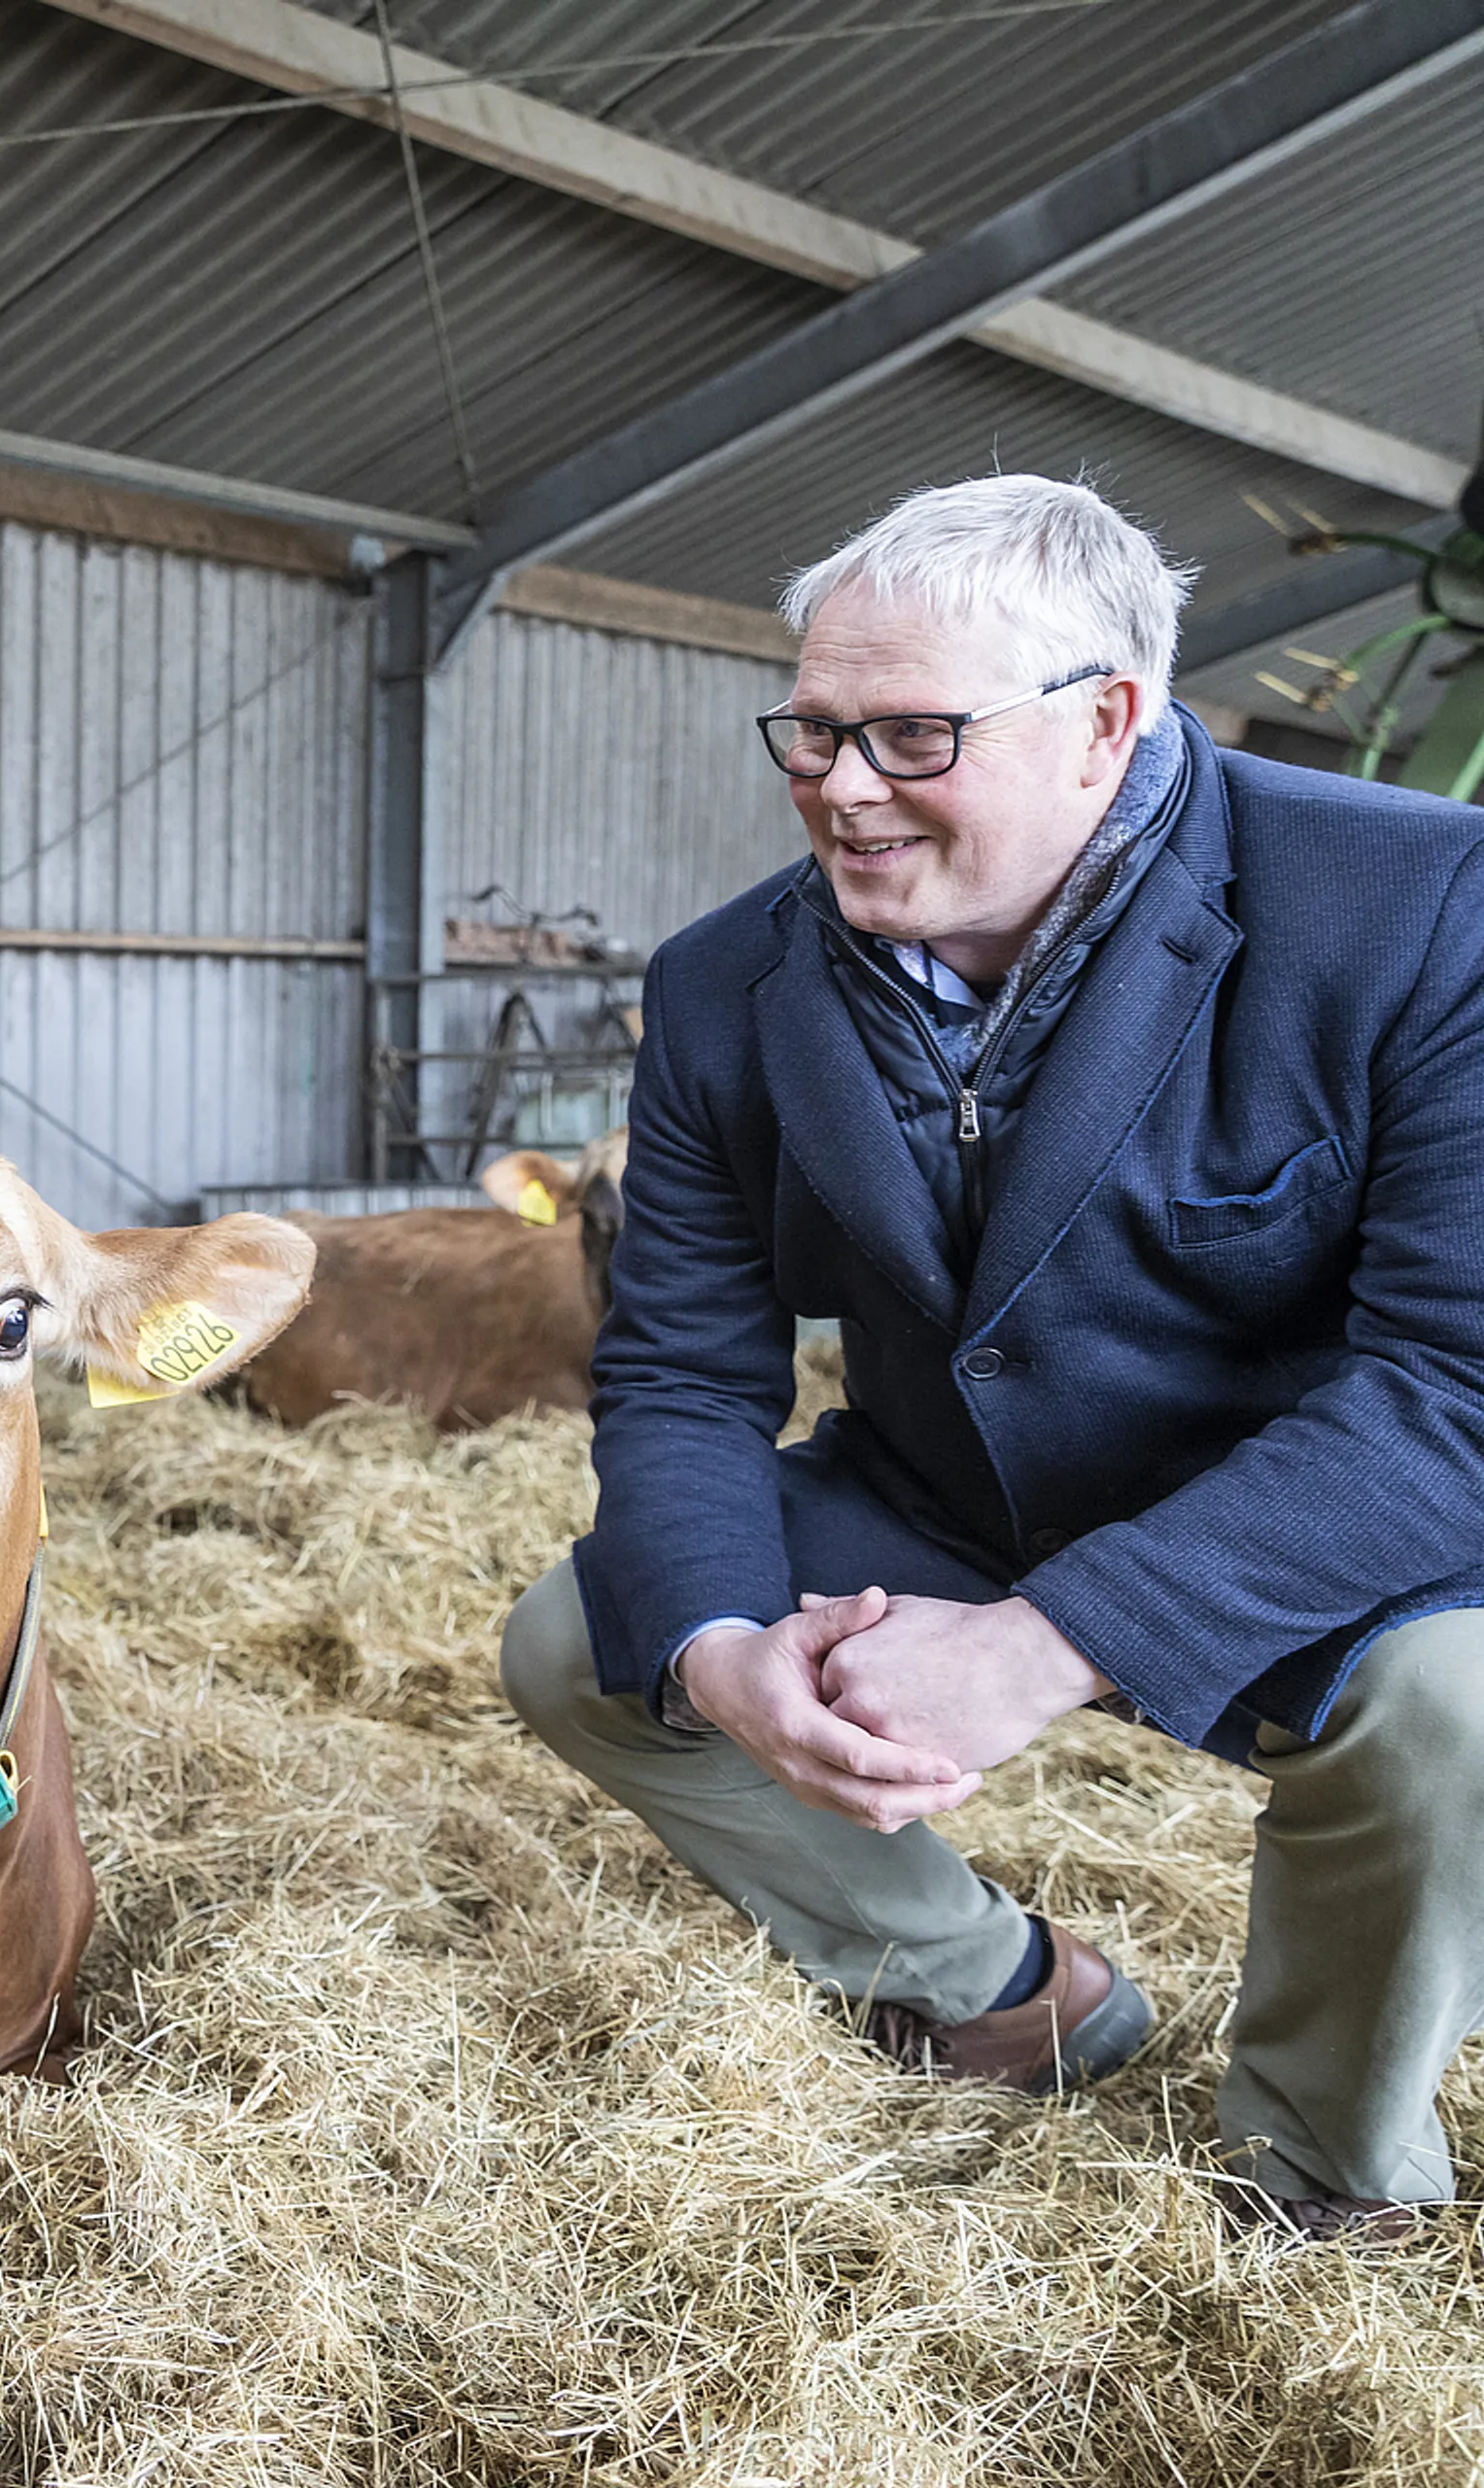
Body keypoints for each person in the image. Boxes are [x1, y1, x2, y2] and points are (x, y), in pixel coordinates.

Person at [502, 475, 1484, 2247]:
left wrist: (1054, 1644)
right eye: (810, 730)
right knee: (594, 1641)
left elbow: (1458, 1392)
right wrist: (725, 1651)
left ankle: (1326, 2166)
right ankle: (1005, 1992)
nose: (841, 787)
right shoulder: (729, 984)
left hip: (1312, 1538)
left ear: (1105, 719)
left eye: (910, 736)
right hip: (951, 1497)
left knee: (1460, 1713)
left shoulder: (1414, 908)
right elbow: (681, 1374)